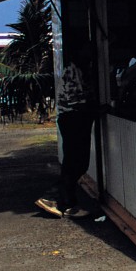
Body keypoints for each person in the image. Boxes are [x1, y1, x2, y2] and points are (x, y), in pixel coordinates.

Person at [36, 44, 99, 219]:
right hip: (74, 119)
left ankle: (68, 201)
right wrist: (96, 109)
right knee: (76, 163)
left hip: (73, 118)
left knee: (75, 162)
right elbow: (78, 101)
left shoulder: (78, 68)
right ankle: (52, 197)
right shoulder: (73, 70)